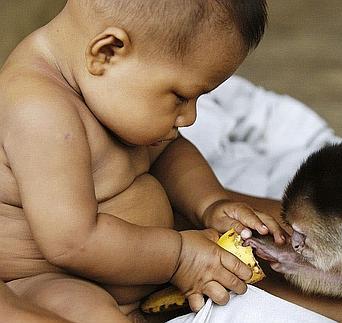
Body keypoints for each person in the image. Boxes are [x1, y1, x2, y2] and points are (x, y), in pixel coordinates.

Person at [0, 0, 289, 322]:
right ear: (107, 52)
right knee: (89, 312)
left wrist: (210, 202)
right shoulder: (39, 112)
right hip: (55, 279)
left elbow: (168, 152)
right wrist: (179, 257)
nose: (190, 117)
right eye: (181, 96)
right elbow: (73, 243)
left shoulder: (107, 92)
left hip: (153, 265)